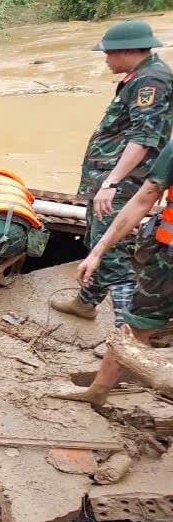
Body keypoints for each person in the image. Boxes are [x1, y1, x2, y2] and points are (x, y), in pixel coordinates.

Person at [49, 20, 172, 324]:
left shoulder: (150, 83)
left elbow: (143, 139)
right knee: (96, 241)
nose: (105, 59)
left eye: (108, 53)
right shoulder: (140, 77)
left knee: (114, 257)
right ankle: (85, 303)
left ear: (127, 51)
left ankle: (126, 339)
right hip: (110, 179)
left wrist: (112, 182)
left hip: (123, 184)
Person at [55, 140, 173, 407]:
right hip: (167, 263)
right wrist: (98, 251)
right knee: (135, 326)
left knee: (135, 328)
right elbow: (144, 197)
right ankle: (99, 390)